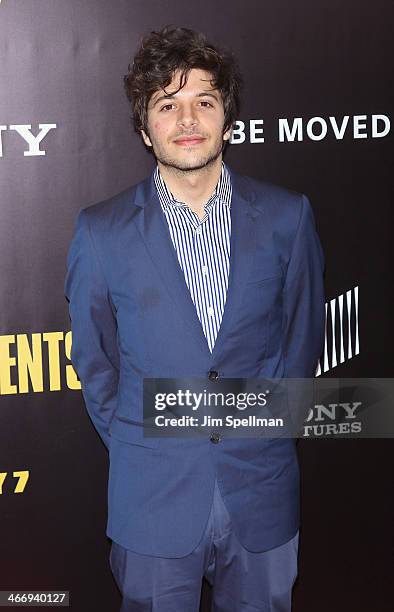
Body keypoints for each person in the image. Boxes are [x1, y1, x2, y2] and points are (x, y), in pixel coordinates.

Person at [64, 25, 325, 612]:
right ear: (144, 127)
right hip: (151, 497)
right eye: (168, 104)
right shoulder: (100, 232)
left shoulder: (288, 217)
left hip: (261, 492)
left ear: (226, 118)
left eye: (204, 102)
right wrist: (139, 442)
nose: (187, 119)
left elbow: (301, 344)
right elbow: (96, 362)